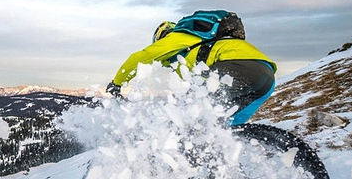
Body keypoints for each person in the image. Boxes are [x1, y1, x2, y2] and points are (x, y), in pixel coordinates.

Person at [106, 10, 276, 126]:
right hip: (266, 78)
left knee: (189, 117)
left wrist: (117, 83)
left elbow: (140, 58)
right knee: (224, 130)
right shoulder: (198, 48)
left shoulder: (178, 37)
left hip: (235, 67)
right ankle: (222, 175)